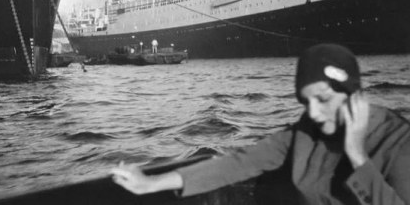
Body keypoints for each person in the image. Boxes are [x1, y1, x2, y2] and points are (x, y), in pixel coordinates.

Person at [111, 43, 410, 204]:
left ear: (354, 93)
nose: (315, 113)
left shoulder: (397, 141)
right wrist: (150, 183)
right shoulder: (306, 134)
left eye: (323, 99)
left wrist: (358, 156)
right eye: (306, 103)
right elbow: (239, 163)